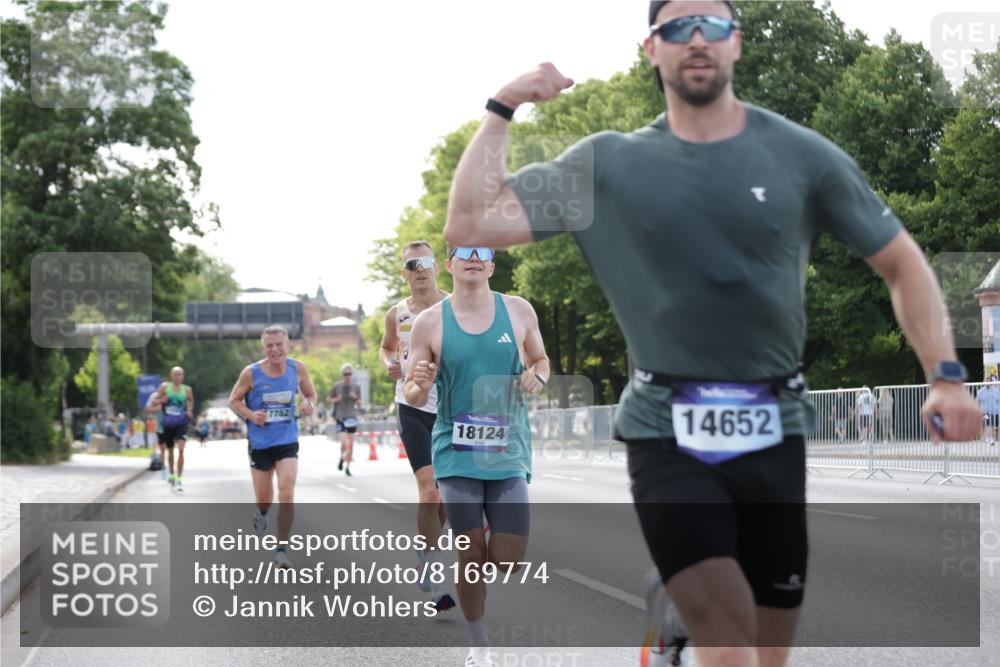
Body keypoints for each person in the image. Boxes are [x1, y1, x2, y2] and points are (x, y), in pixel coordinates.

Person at [442, 1, 983, 663]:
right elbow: (471, 224)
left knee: (768, 648)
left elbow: (901, 261)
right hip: (666, 427)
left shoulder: (800, 155)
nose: (695, 38)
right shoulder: (607, 167)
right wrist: (504, 103)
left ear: (737, 45)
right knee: (731, 645)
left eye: (713, 26)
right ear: (652, 50)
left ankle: (674, 611)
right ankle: (688, 603)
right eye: (676, 27)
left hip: (775, 425)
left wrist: (946, 376)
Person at [405, 245, 550, 667]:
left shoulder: (519, 310)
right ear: (448, 264)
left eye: (482, 252)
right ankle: (478, 645)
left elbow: (540, 358)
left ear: (491, 264)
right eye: (463, 251)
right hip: (456, 450)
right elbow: (414, 394)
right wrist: (419, 379)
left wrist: (537, 375)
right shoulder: (430, 322)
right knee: (470, 555)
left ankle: (488, 523)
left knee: (506, 562)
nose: (474, 257)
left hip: (507, 448)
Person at [379, 239, 454, 611]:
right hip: (412, 405)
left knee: (446, 494)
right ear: (404, 273)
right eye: (412, 264)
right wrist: (389, 364)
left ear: (437, 266)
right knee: (431, 491)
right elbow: (386, 347)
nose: (420, 269)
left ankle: (426, 550)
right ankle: (436, 575)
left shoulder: (457, 306)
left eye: (425, 262)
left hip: (454, 408)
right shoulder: (397, 313)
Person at [229, 325, 318, 568]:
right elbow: (234, 400)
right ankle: (261, 513)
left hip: (287, 439)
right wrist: (250, 414)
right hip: (260, 443)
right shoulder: (251, 373)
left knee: (287, 491)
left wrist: (308, 404)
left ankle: (281, 549)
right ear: (263, 348)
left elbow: (310, 394)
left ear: (288, 344)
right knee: (264, 498)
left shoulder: (297, 368)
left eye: (280, 344)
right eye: (270, 346)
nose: (275, 349)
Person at [148, 367, 194, 492]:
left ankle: (179, 478)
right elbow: (153, 403)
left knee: (181, 449)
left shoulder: (187, 389)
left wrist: (189, 411)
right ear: (171, 375)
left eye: (179, 374)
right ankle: (172, 474)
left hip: (181, 423)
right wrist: (161, 400)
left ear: (183, 376)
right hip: (168, 423)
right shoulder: (164, 387)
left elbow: (190, 401)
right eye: (175, 374)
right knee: (171, 451)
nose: (177, 377)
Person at [329, 363, 362, 476]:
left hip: (351, 417)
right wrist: (336, 399)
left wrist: (355, 398)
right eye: (345, 374)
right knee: (344, 443)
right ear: (342, 374)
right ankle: (342, 458)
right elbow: (329, 398)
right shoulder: (336, 386)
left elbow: (360, 403)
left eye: (349, 374)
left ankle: (347, 467)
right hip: (340, 417)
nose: (347, 376)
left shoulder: (356, 387)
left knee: (351, 444)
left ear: (352, 374)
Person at [978, 376, 1000, 446]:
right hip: (985, 411)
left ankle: (991, 438)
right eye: (986, 381)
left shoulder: (996, 390)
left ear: (991, 382)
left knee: (994, 426)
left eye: (988, 381)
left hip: (995, 411)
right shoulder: (980, 391)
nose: (987, 383)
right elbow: (978, 402)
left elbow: (998, 401)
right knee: (988, 424)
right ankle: (990, 438)